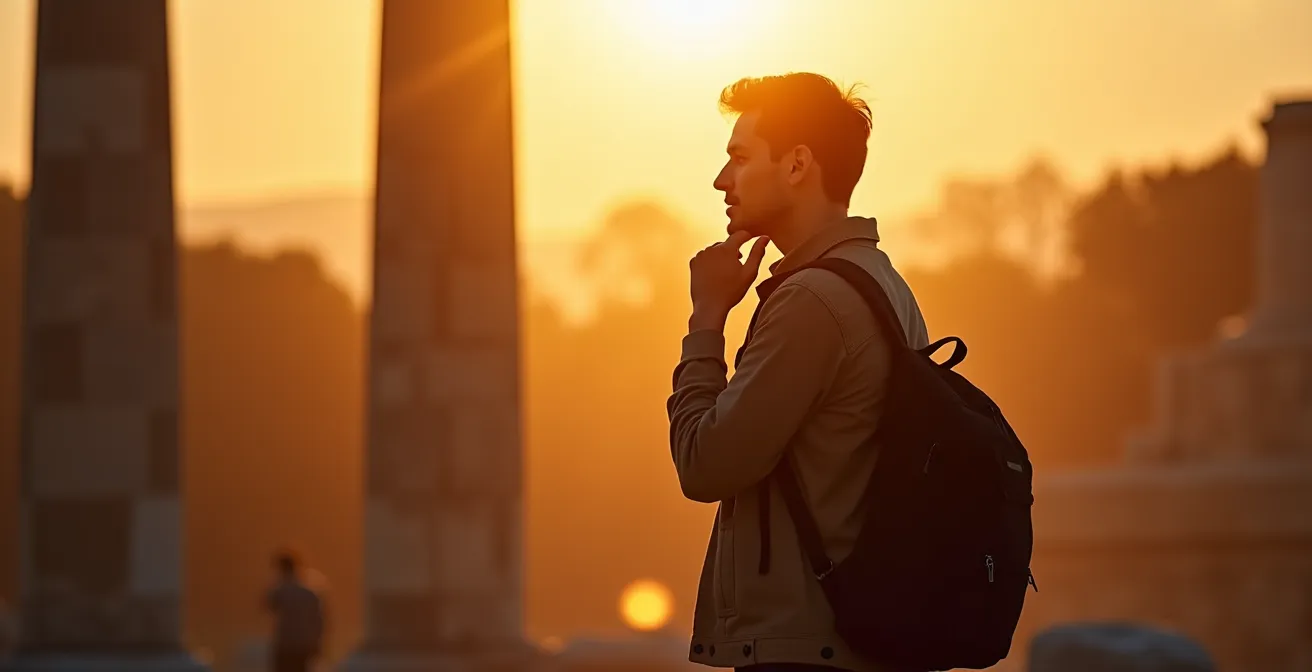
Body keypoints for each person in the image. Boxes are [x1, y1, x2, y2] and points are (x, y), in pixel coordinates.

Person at [666, 72, 930, 672]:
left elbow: (705, 464)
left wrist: (706, 318)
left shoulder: (812, 301)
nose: (721, 180)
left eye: (739, 156)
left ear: (797, 165)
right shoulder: (880, 281)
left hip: (806, 646)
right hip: (855, 636)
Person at [264, 549, 326, 672]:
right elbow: (320, 620)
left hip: (285, 646)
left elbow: (267, 605)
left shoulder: (281, 590)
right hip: (304, 646)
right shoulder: (311, 592)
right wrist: (318, 644)